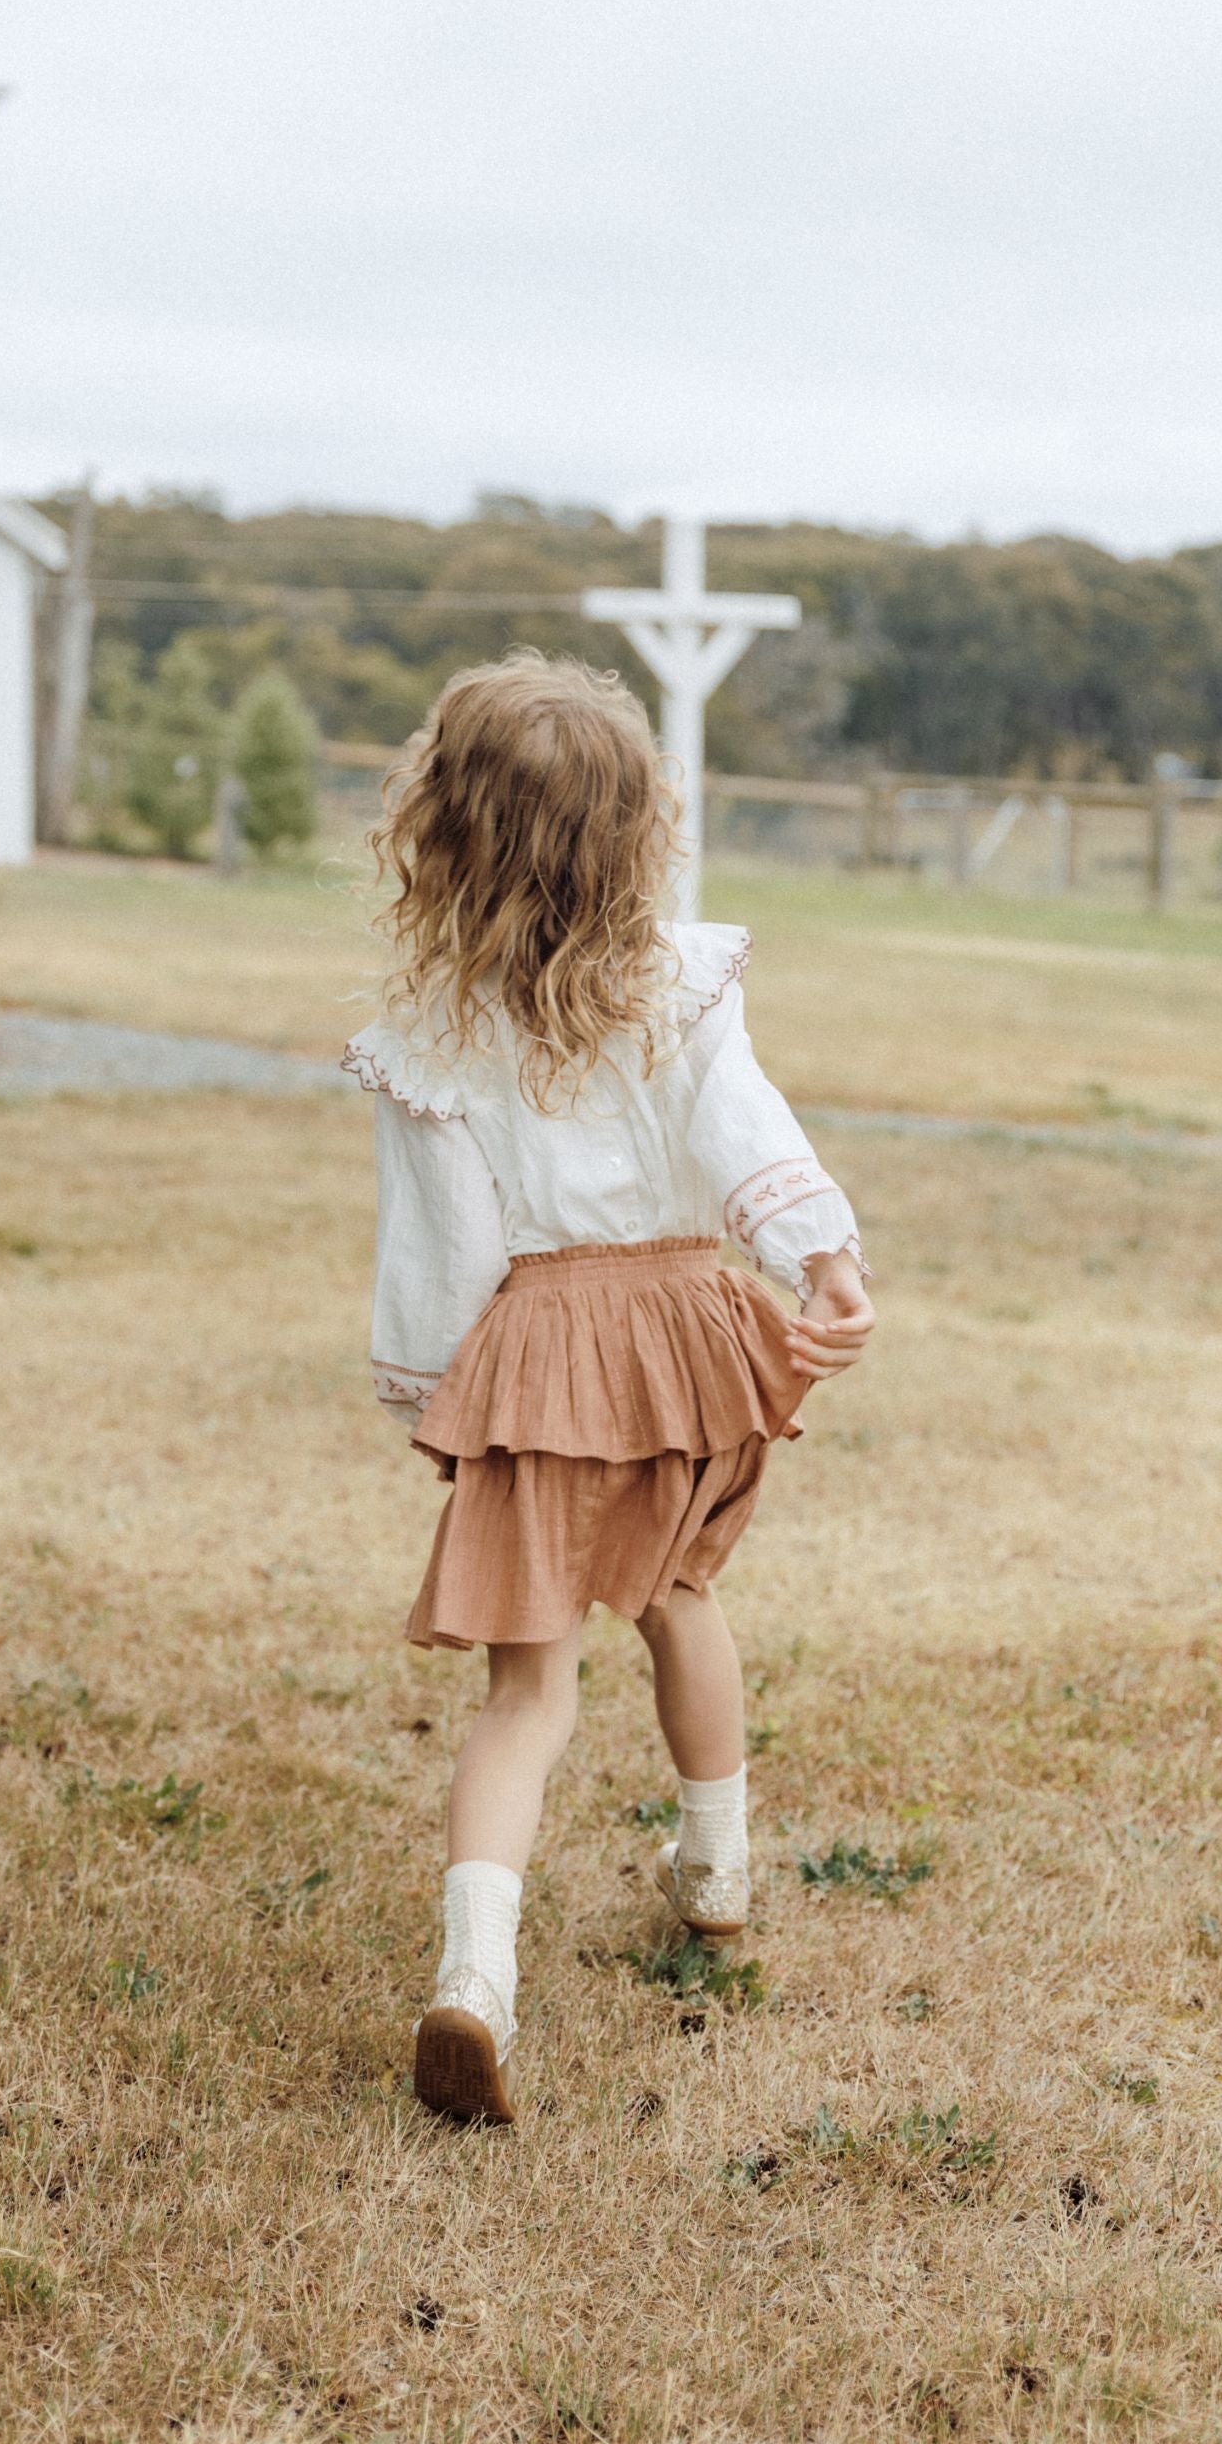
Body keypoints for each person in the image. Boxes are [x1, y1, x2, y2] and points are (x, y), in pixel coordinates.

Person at [343, 651, 872, 2126]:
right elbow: (743, 1129)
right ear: (641, 826)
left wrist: (433, 1406)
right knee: (680, 1598)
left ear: (443, 827)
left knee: (528, 1690)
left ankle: (475, 1977)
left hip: (539, 1359)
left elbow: (444, 1252)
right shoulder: (681, 987)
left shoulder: (431, 1044)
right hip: (689, 1334)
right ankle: (717, 1874)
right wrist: (823, 1260)